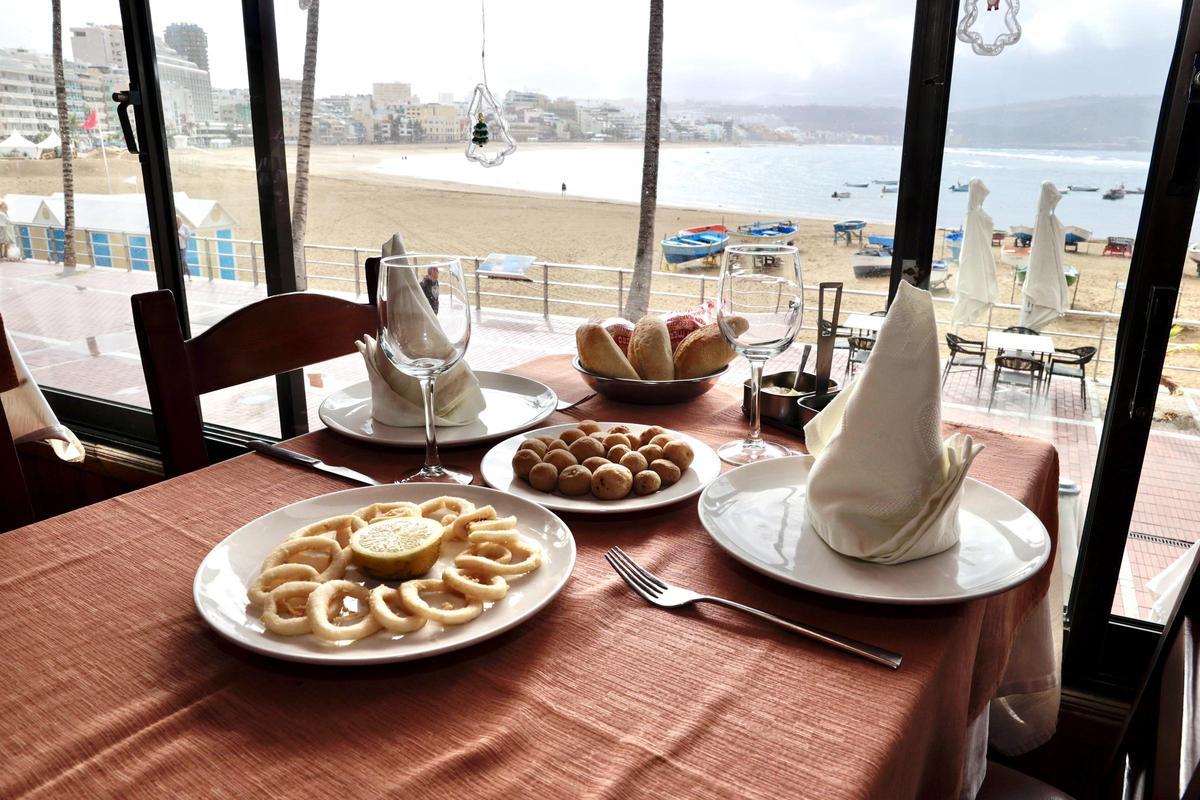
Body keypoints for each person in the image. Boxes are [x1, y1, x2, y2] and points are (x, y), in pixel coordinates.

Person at [176, 215, 191, 280]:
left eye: (178, 221)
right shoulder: (174, 226)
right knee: (178, 262)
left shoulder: (185, 227)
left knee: (183, 261)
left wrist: (181, 235)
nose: (177, 223)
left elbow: (188, 237)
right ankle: (181, 275)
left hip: (183, 247)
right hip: (176, 248)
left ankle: (189, 275)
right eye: (176, 221)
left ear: (180, 221)